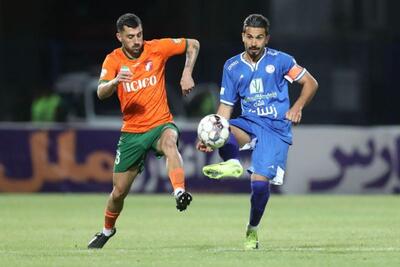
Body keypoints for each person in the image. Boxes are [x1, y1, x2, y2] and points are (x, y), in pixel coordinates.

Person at [197, 14, 318, 250]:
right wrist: (211, 138)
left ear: (267, 39)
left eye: (259, 38)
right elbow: (226, 107)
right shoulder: (231, 66)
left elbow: (311, 83)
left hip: (275, 129)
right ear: (243, 36)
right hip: (250, 122)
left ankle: (252, 229)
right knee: (219, 126)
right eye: (250, 37)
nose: (254, 42)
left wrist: (297, 107)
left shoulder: (281, 61)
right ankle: (232, 162)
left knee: (259, 186)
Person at [88, 13, 200, 249]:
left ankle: (179, 191)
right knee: (118, 193)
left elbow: (193, 44)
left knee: (170, 142)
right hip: (132, 133)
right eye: (130, 37)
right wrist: (116, 81)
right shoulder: (113, 60)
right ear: (119, 37)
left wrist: (187, 72)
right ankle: (107, 230)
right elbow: (100, 92)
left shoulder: (157, 48)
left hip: (161, 125)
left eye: (139, 35)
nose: (137, 41)